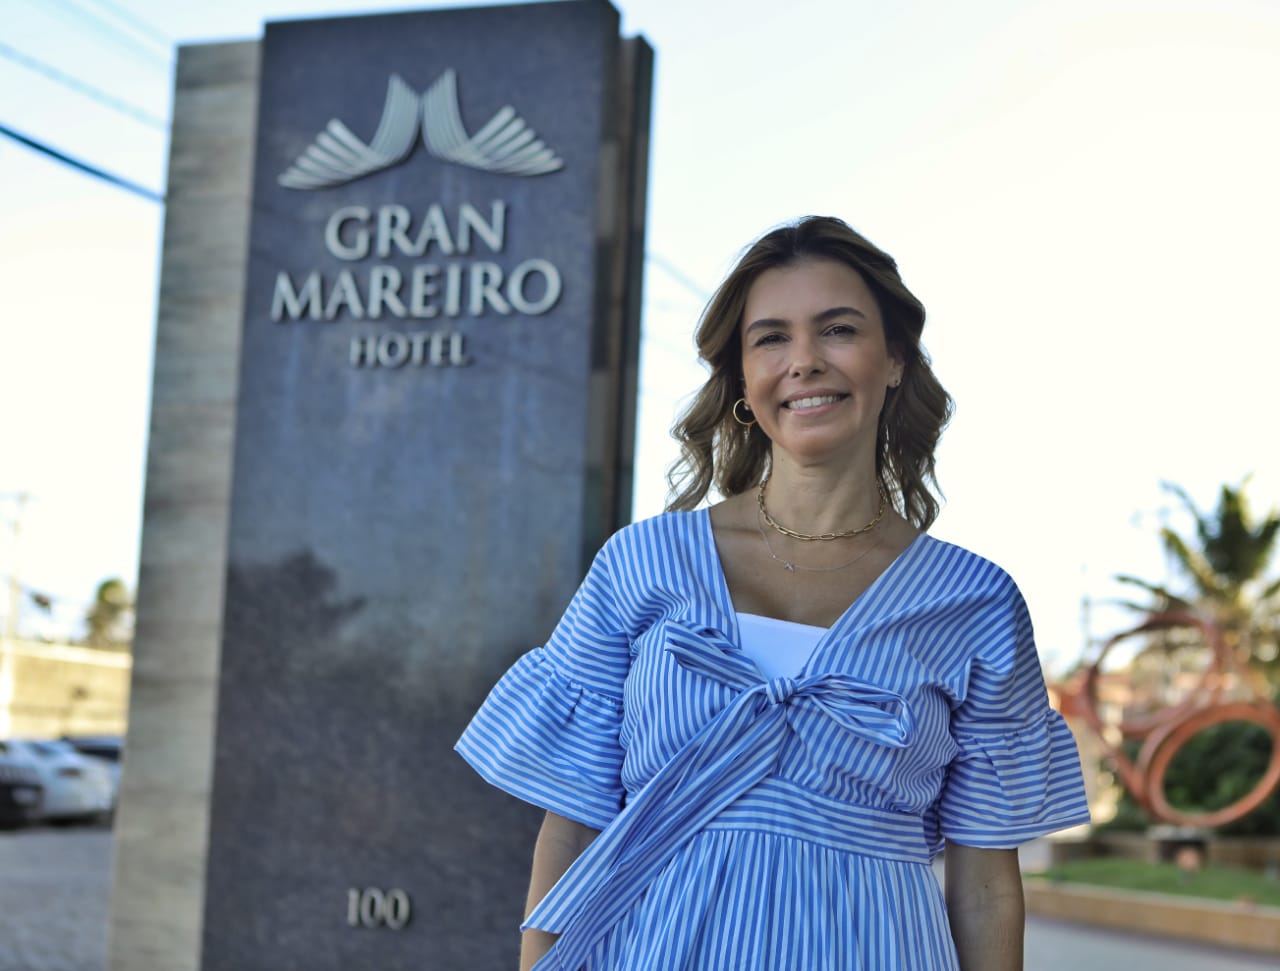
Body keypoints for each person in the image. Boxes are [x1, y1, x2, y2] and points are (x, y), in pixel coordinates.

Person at [456, 215, 1091, 970]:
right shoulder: (641, 565)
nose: (804, 361)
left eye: (838, 330)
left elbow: (985, 886)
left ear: (894, 360)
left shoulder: (974, 601)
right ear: (743, 382)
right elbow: (572, 827)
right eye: (771, 338)